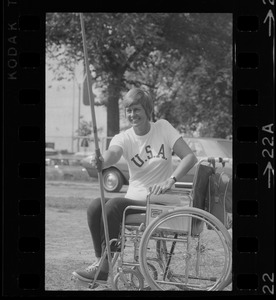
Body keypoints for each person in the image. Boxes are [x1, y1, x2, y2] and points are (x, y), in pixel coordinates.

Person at [72, 87, 198, 282]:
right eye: (128, 110)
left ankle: (103, 270)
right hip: (133, 200)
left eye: (137, 109)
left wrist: (170, 180)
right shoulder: (124, 137)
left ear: (147, 110)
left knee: (114, 206)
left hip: (159, 202)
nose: (132, 114)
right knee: (95, 206)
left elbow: (189, 157)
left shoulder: (163, 128)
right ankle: (101, 262)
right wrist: (101, 161)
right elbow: (112, 154)